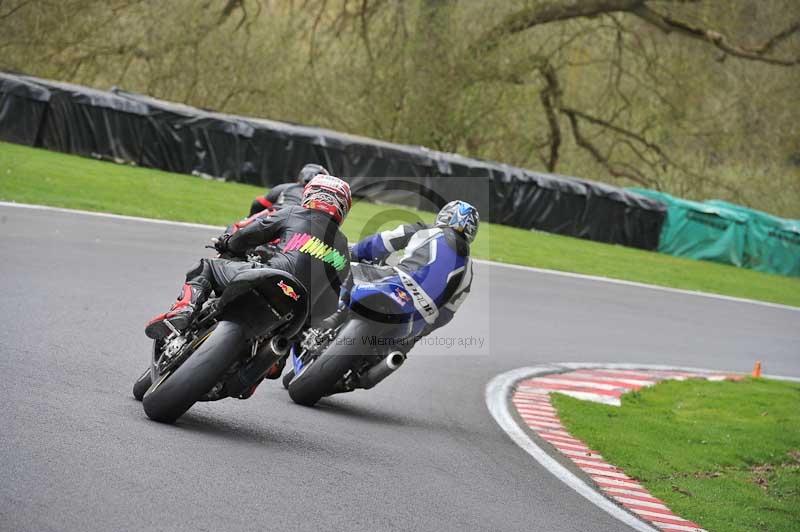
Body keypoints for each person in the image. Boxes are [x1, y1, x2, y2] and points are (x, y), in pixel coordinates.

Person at [145, 174, 352, 343]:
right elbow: (333, 298)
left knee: (206, 266)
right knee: (284, 344)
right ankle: (271, 360)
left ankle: (185, 309)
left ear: (310, 194)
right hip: (299, 309)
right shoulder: (343, 247)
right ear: (343, 207)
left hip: (270, 277)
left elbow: (251, 233)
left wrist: (228, 244)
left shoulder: (293, 213)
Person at [320, 200, 479, 356]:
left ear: (445, 215)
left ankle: (336, 315)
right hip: (421, 315)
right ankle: (380, 361)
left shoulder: (426, 230)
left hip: (398, 281)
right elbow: (448, 313)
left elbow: (381, 242)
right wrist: (419, 333)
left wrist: (355, 253)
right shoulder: (469, 269)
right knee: (395, 351)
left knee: (348, 269)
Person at [248, 163, 329, 217]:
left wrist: (250, 219)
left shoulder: (283, 187)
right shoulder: (321, 197)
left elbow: (257, 203)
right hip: (296, 224)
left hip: (272, 215)